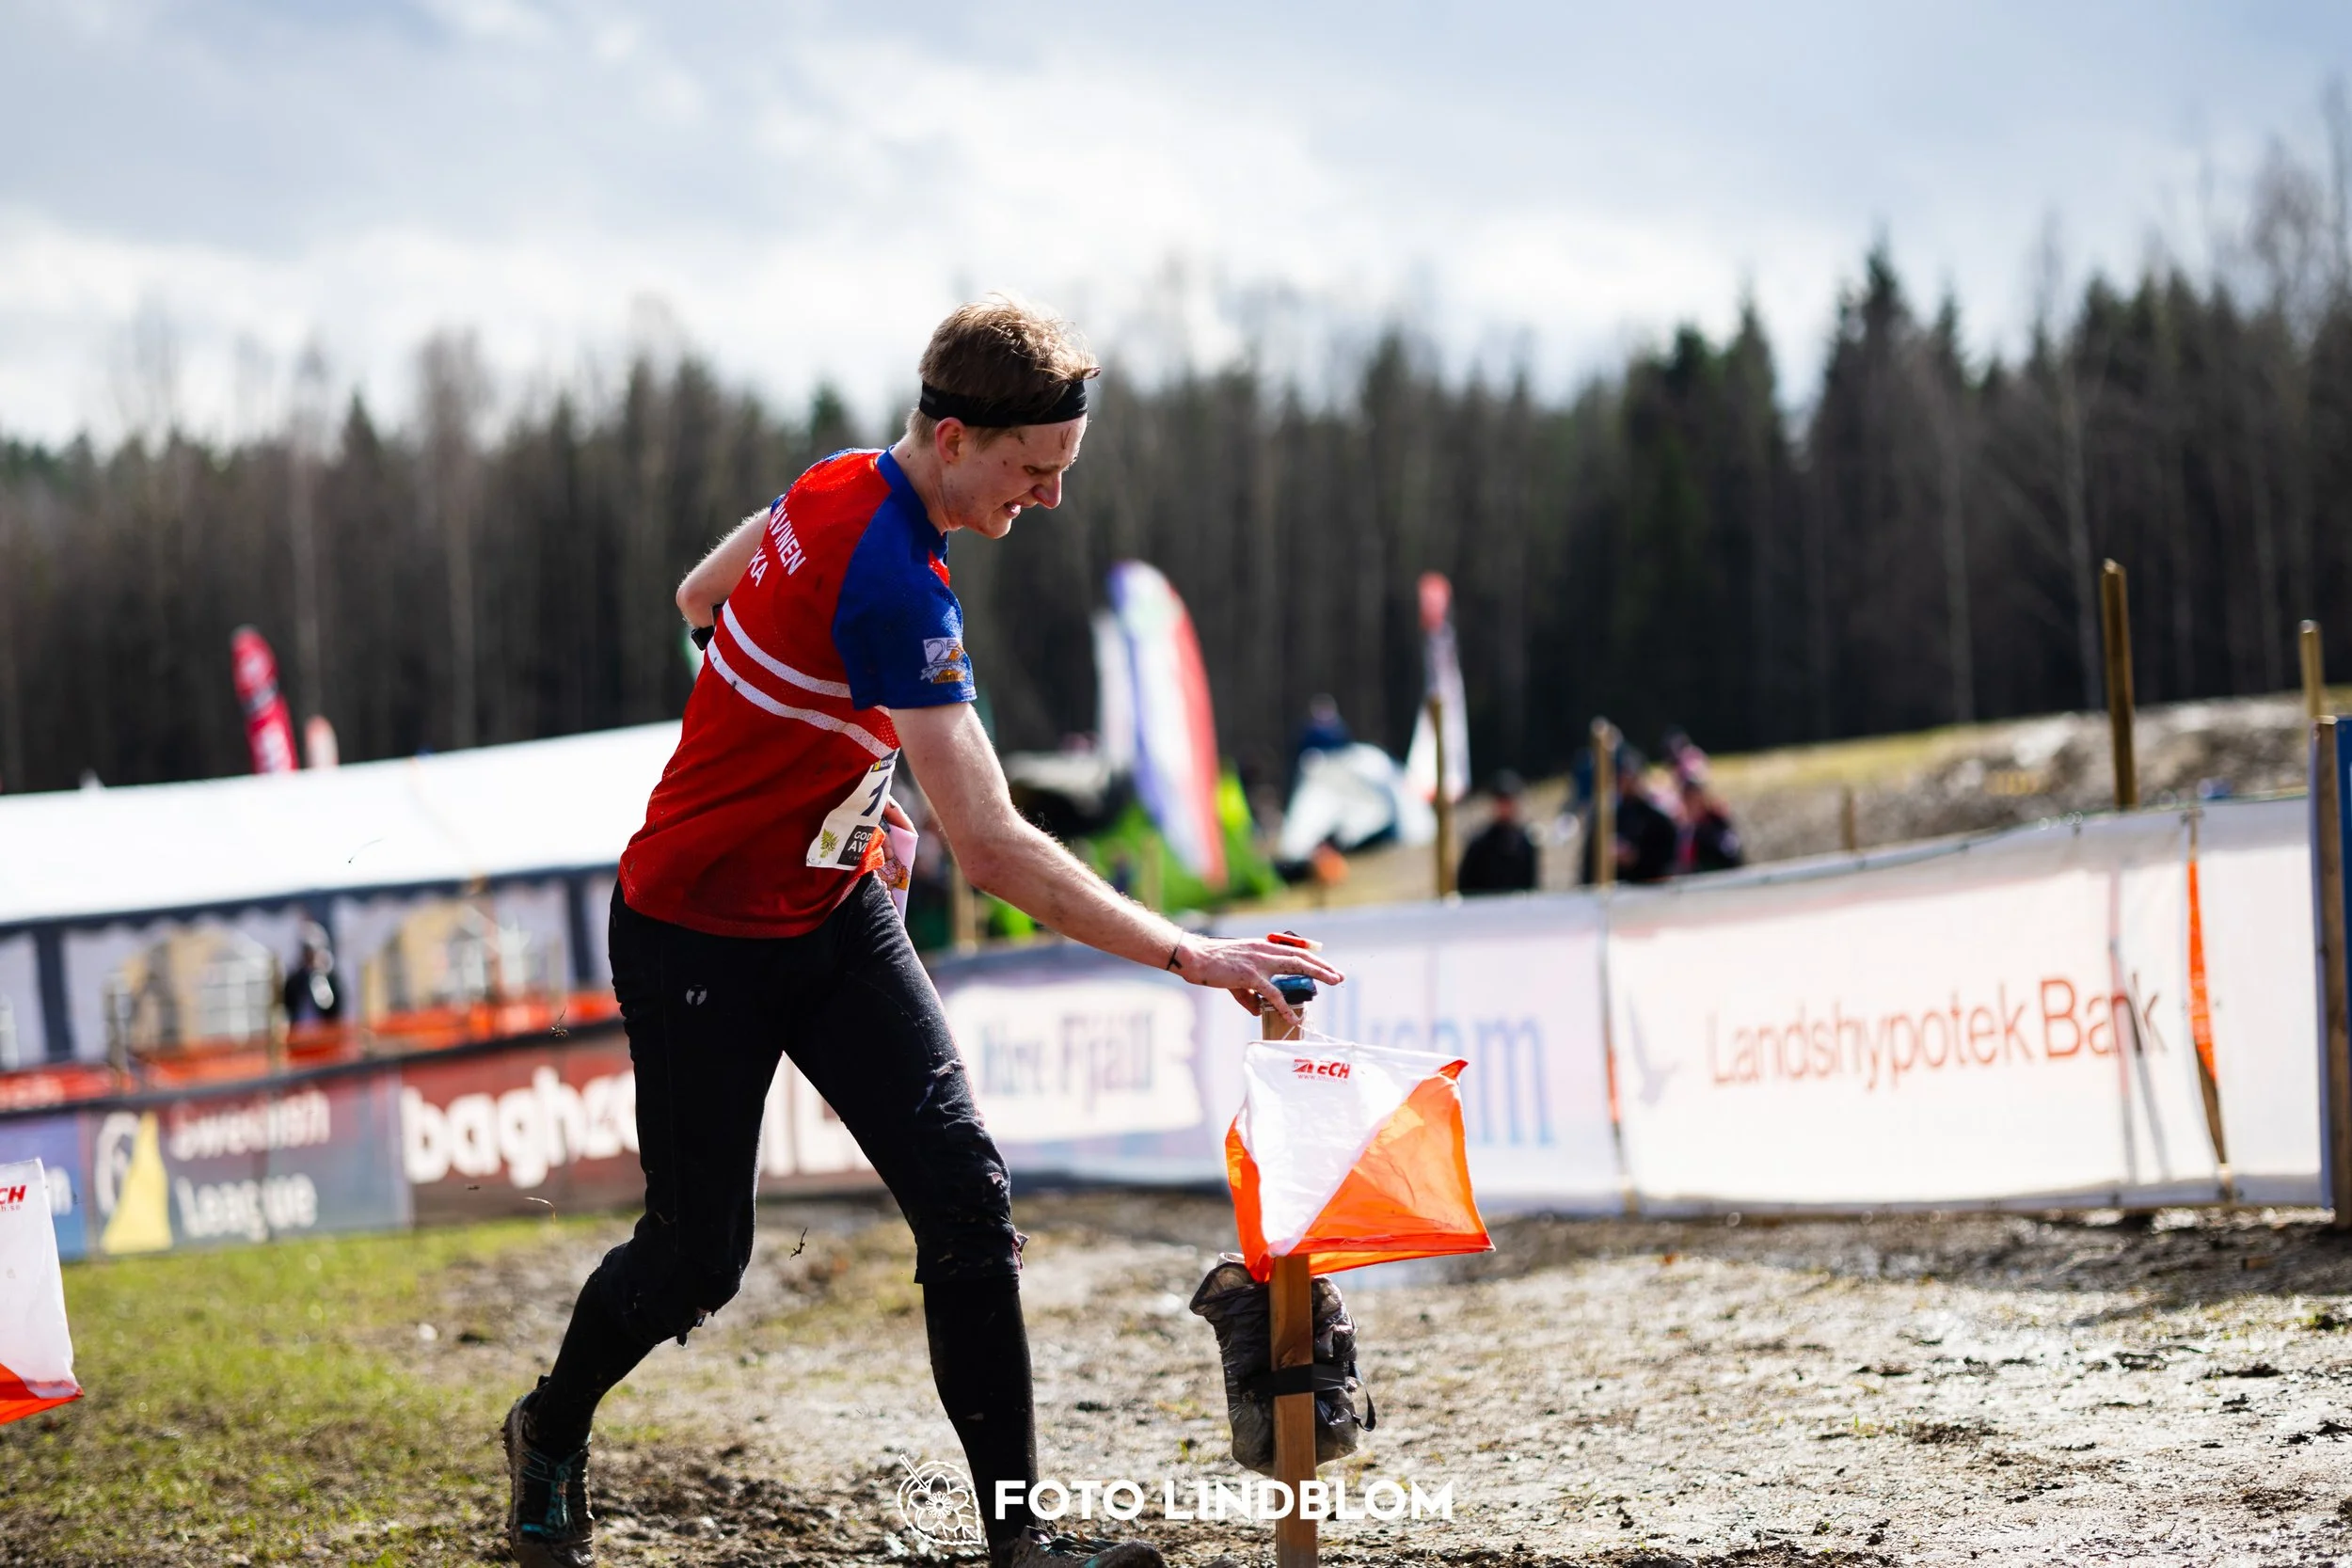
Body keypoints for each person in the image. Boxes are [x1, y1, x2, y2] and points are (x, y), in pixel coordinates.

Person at [499, 297, 1343, 1568]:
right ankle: (548, 1428)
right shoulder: (894, 577)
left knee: (966, 1194)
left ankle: (1021, 1542)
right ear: (955, 437)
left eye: (1062, 469)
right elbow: (998, 849)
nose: (1049, 497)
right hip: (697, 937)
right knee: (697, 1257)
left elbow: (699, 598)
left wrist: (839, 782)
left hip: (831, 919)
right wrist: (1195, 953)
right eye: (1033, 469)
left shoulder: (840, 480)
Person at [1456, 770, 1538, 894]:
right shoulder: (1478, 845)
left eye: (1508, 801)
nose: (1505, 807)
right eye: (1501, 801)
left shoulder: (1526, 843)